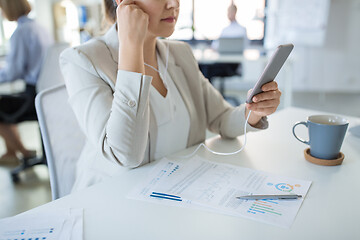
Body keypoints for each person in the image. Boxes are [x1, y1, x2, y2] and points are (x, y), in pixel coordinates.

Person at [60, 0, 281, 192]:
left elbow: (221, 118)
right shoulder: (82, 61)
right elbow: (125, 155)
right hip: (111, 202)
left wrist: (255, 111)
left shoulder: (180, 53)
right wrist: (131, 46)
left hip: (176, 191)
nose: (173, 4)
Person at [0, 0, 53, 163]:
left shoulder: (21, 32)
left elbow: (13, 72)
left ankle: (19, 151)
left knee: (2, 105)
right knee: (5, 103)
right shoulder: (40, 28)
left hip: (33, 96)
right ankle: (15, 151)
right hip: (48, 93)